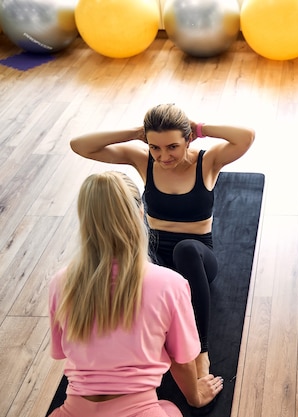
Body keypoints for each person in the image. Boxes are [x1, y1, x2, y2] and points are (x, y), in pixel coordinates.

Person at [70, 104, 255, 378]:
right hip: (156, 260)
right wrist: (136, 133)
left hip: (198, 260)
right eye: (155, 147)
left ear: (188, 140)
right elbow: (80, 145)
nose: (163, 156)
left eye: (172, 147)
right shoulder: (144, 160)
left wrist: (201, 128)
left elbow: (246, 136)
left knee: (186, 249)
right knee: (122, 256)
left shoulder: (208, 162)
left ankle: (201, 350)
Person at [48, 171, 224, 417]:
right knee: (171, 409)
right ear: (140, 212)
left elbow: (62, 352)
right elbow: (182, 359)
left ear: (84, 219)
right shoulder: (170, 284)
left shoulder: (59, 283)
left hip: (73, 409)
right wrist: (195, 397)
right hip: (142, 411)